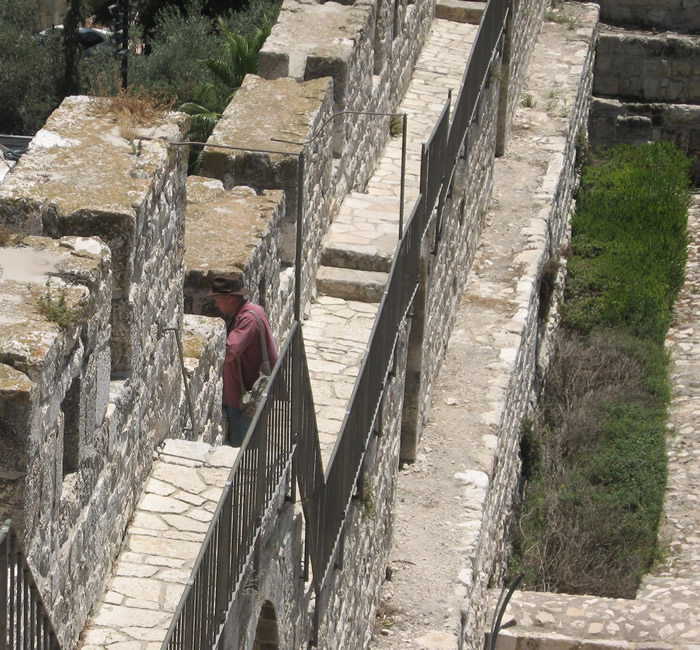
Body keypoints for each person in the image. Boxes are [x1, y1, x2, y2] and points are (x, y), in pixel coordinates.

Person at [209, 275, 279, 446]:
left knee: (242, 448)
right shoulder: (255, 310)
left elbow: (230, 353)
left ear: (229, 297)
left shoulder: (247, 319)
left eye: (217, 300)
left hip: (245, 398)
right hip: (248, 392)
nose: (216, 305)